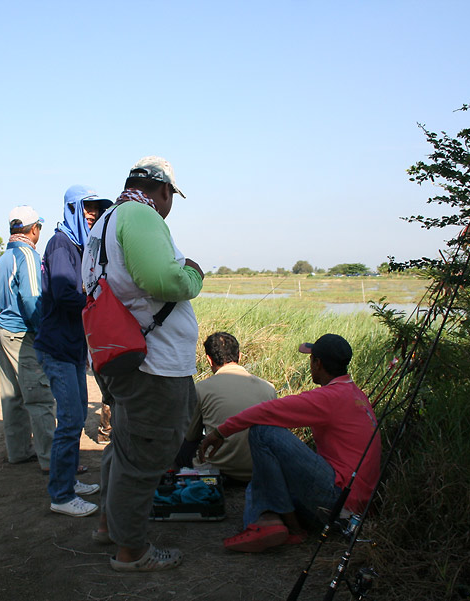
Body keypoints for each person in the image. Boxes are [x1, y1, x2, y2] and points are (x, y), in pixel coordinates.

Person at [82, 156, 203, 571]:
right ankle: (131, 551)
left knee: (126, 445)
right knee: (146, 455)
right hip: (155, 364)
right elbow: (164, 281)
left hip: (123, 355)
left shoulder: (104, 222)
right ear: (165, 190)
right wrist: (195, 275)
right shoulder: (140, 214)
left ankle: (107, 523)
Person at [199, 333, 381, 553]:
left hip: (340, 500)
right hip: (358, 501)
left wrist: (220, 432)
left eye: (311, 359)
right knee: (256, 484)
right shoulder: (356, 394)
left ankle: (289, 528)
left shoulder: (330, 397)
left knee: (262, 431)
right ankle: (267, 520)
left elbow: (267, 412)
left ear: (318, 363)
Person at [34, 185, 112, 517]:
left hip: (72, 348)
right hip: (58, 347)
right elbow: (67, 294)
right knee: (69, 420)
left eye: (96, 208)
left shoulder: (80, 246)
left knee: (78, 416)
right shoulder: (61, 245)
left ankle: (69, 479)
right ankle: (62, 495)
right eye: (86, 208)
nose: (92, 214)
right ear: (70, 209)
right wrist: (99, 301)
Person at [0, 206, 56, 472]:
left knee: (12, 397)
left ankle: (18, 451)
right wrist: (45, 333)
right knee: (40, 399)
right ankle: (52, 460)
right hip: (22, 334)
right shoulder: (27, 255)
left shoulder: (3, 257)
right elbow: (32, 300)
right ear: (33, 229)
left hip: (3, 330)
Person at [177, 332, 276, 482]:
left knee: (180, 443)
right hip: (258, 468)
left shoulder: (202, 388)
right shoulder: (269, 388)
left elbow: (191, 435)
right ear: (240, 356)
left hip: (217, 470)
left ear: (209, 360)